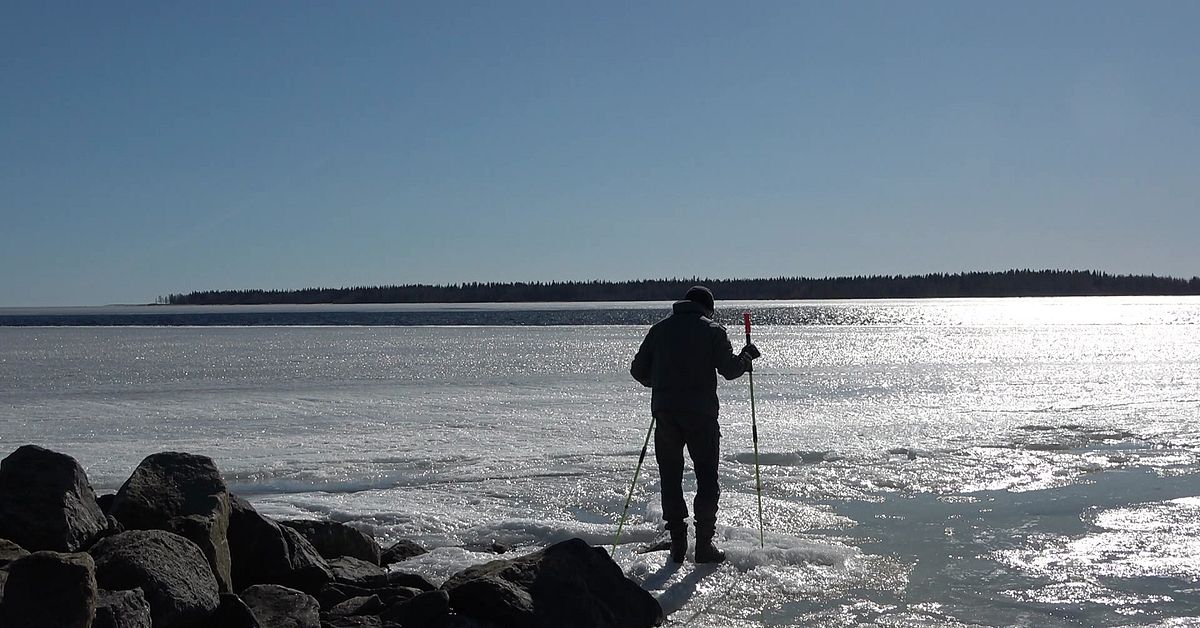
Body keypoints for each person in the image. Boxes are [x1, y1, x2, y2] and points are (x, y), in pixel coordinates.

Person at [630, 285, 760, 563]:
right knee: (706, 478)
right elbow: (729, 369)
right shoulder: (713, 330)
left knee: (671, 477)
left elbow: (638, 370)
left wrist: (661, 383)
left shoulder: (659, 330)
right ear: (708, 307)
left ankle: (678, 543)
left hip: (666, 414)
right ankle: (703, 546)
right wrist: (746, 358)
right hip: (701, 416)